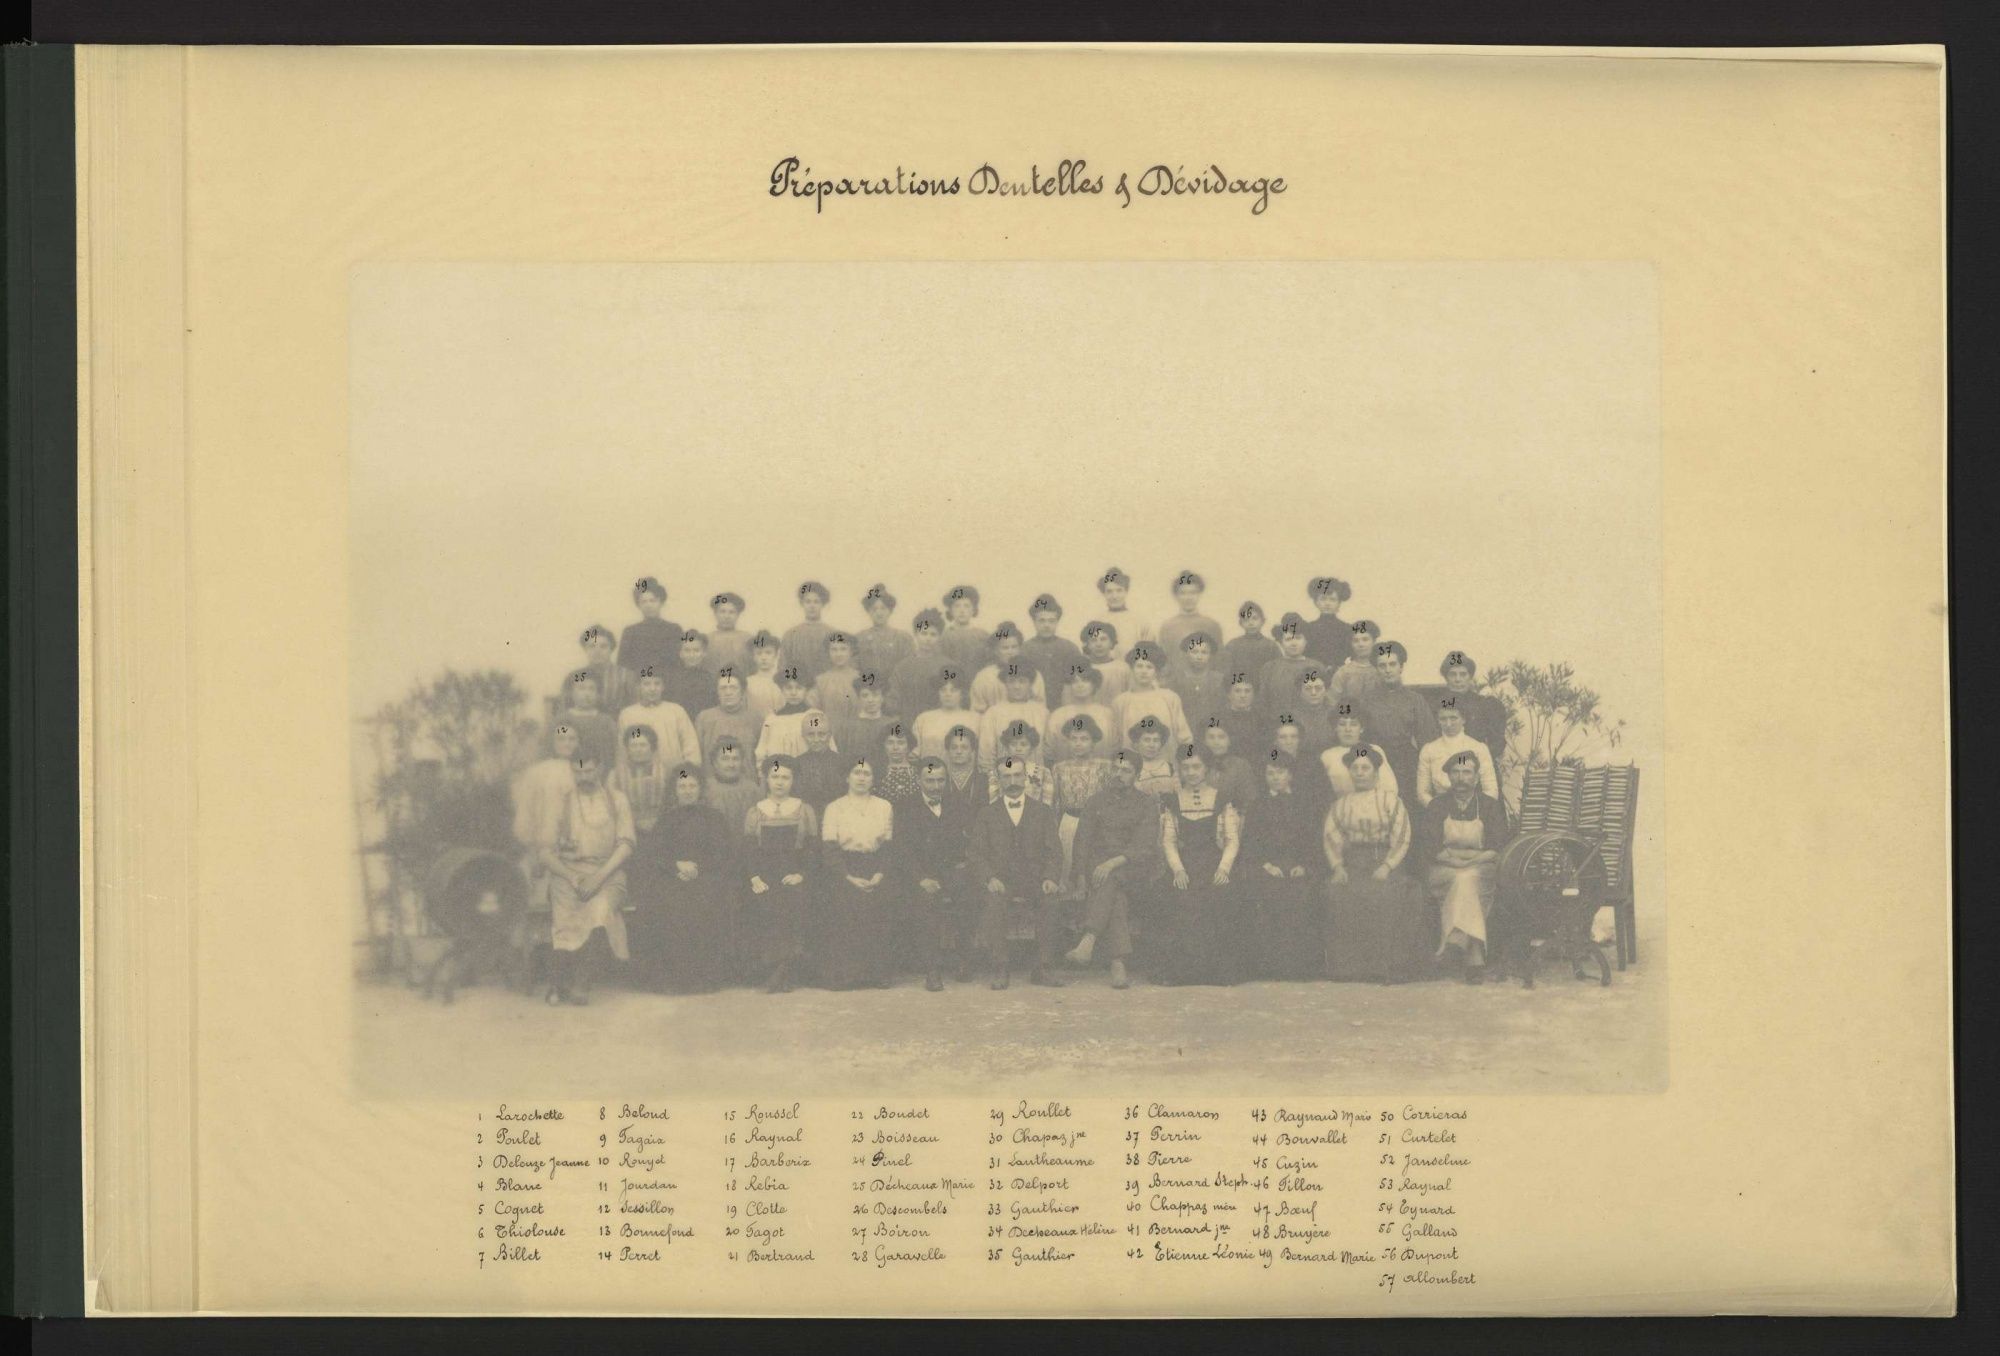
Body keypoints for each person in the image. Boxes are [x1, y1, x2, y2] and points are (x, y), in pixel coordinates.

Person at [535, 747, 634, 1005]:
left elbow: (626, 845)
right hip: (567, 874)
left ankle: (582, 982)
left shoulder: (617, 800)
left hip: (608, 872)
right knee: (566, 919)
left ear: (600, 768)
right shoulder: (560, 802)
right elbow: (544, 852)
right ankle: (560, 982)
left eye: (589, 771)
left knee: (600, 911)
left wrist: (599, 877)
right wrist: (571, 876)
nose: (584, 777)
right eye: (578, 772)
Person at [1322, 747, 1426, 984]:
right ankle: (1349, 968)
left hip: (1384, 861)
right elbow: (1331, 836)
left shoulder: (1391, 801)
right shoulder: (1341, 804)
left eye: (1365, 768)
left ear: (1376, 773)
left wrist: (1387, 866)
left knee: (1385, 894)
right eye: (1355, 768)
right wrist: (1338, 866)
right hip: (1353, 863)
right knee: (1337, 892)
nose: (1360, 773)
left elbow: (1402, 835)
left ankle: (1385, 967)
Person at [966, 756, 1067, 989]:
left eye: (1017, 775)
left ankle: (1043, 967)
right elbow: (976, 853)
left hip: (1035, 879)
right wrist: (989, 878)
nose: (1012, 781)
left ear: (1025, 778)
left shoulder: (1042, 811)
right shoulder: (987, 813)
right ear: (999, 780)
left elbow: (1054, 851)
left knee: (1051, 901)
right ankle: (1000, 967)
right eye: (1006, 776)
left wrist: (1051, 878)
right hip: (1001, 880)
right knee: (993, 901)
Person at [1063, 750, 1159, 989]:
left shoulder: (1146, 804)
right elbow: (1082, 840)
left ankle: (1089, 939)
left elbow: (1145, 845)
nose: (1119, 774)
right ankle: (1118, 963)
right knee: (1115, 896)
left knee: (1112, 878)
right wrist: (1081, 876)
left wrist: (1112, 863)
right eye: (1115, 769)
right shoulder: (1096, 801)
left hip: (1133, 868)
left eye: (1126, 771)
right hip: (1099, 871)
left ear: (1137, 775)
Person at [1415, 750, 1511, 983]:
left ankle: (1456, 940)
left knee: (1466, 878)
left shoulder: (1489, 806)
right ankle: (1473, 956)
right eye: (1456, 772)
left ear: (1476, 777)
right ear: (1448, 777)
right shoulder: (1438, 805)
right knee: (1463, 879)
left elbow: (1498, 846)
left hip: (1482, 868)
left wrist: (1468, 861)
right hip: (1444, 869)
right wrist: (1460, 860)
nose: (1461, 778)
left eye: (1467, 772)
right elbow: (1431, 847)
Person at [1154, 744, 1243, 986]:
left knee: (1220, 896)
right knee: (1178, 897)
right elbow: (1169, 841)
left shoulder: (1221, 799)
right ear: (1180, 770)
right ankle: (1181, 972)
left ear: (1206, 769)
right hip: (1185, 865)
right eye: (1186, 768)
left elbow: (1231, 840)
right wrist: (1178, 870)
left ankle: (1219, 972)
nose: (1191, 772)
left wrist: (1224, 869)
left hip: (1214, 864)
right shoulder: (1172, 801)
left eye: (1196, 767)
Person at [1237, 749, 1324, 981]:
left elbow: (1314, 840)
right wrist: (1265, 865)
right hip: (1268, 865)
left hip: (1299, 865)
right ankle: (1271, 967)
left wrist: (1305, 866)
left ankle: (1300, 967)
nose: (1276, 777)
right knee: (1270, 893)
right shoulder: (1257, 806)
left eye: (1281, 772)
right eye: (1271, 773)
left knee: (1301, 894)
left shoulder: (1305, 804)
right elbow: (1250, 842)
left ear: (1290, 775)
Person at [895, 756, 980, 989]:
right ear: (918, 780)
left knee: (969, 895)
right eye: (930, 781)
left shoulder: (957, 803)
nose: (935, 786)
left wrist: (963, 864)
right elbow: (902, 849)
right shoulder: (904, 806)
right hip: (919, 874)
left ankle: (964, 959)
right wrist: (921, 878)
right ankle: (932, 969)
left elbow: (971, 839)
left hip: (951, 870)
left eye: (940, 780)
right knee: (927, 902)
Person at [818, 758, 898, 990]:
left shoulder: (884, 806)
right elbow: (829, 849)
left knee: (879, 907)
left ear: (873, 779)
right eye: (856, 772)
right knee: (845, 908)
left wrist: (879, 874)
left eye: (867, 774)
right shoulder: (834, 808)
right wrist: (848, 877)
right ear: (847, 777)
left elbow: (888, 847)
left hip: (875, 867)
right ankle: (846, 974)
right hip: (844, 869)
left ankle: (876, 973)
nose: (861, 778)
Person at [656, 763, 736, 992]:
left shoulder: (714, 818)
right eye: (682, 786)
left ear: (700, 789)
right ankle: (677, 979)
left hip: (707, 876)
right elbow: (655, 853)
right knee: (670, 905)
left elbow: (723, 853)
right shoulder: (666, 819)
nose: (688, 791)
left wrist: (699, 869)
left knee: (707, 902)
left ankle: (705, 977)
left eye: (692, 785)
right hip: (674, 877)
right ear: (675, 790)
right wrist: (676, 866)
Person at [742, 755, 817, 992]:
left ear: (793, 780)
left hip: (793, 873)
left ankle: (785, 971)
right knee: (764, 904)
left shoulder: (804, 810)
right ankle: (774, 970)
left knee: (794, 902)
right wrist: (755, 878)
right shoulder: (756, 811)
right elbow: (749, 850)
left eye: (785, 777)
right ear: (766, 779)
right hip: (764, 876)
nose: (780, 782)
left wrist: (801, 874)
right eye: (775, 777)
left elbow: (812, 849)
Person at [511, 721, 582, 913]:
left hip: (576, 842)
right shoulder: (538, 771)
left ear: (578, 742)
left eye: (572, 739)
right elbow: (526, 808)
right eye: (561, 739)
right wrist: (528, 839)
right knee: (539, 895)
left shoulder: (583, 768)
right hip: (544, 840)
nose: (567, 743)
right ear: (553, 742)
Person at [1359, 640, 1438, 805]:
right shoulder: (1365, 701)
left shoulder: (1415, 700)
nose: (1388, 670)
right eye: (1382, 665)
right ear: (1376, 669)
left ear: (1401, 667)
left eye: (1392, 664)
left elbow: (1427, 740)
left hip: (1407, 765)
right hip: (1375, 762)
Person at [1050, 715, 1114, 897]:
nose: (1078, 744)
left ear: (1093, 742)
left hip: (1097, 823)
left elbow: (1110, 799)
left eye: (1084, 739)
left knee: (1093, 866)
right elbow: (1055, 802)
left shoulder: (1106, 766)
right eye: (1074, 739)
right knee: (1068, 863)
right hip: (1069, 822)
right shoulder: (1059, 768)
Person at [1415, 696, 1501, 805]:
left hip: (1474, 809)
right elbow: (1422, 792)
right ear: (1438, 720)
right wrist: (1437, 809)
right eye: (1443, 719)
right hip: (1440, 809)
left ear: (1463, 719)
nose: (1448, 724)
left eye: (1453, 718)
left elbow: (1491, 789)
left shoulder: (1479, 748)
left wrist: (1475, 809)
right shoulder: (1429, 750)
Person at [617, 667, 700, 772]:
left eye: (657, 683)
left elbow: (691, 746)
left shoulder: (676, 711)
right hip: (640, 775)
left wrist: (688, 773)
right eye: (647, 684)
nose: (652, 688)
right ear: (639, 687)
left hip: (674, 774)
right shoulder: (628, 714)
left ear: (663, 686)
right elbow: (622, 751)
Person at [1112, 642, 1192, 750]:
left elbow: (1183, 734)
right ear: (1132, 669)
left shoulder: (1170, 698)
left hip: (1166, 757)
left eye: (1149, 667)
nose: (1144, 671)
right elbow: (1116, 739)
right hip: (1132, 758)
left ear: (1156, 671)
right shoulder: (1121, 701)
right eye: (1139, 666)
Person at [1439, 650, 1509, 771]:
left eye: (1463, 674)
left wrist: (1475, 761)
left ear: (1470, 677)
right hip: (1444, 766)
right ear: (1446, 677)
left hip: (1479, 766)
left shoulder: (1486, 704)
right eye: (1452, 674)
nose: (1458, 679)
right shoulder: (1435, 706)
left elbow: (1498, 743)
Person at [977, 664, 1051, 773]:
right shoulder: (993, 713)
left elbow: (1048, 751)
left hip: (1036, 776)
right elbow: (986, 752)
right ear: (1005, 684)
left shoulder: (1042, 713)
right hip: (1004, 777)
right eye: (1011, 681)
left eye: (1022, 681)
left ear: (1030, 684)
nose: (1016, 686)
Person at [1323, 703, 1401, 801]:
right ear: (1335, 727)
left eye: (1354, 724)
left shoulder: (1373, 750)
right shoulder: (1327, 756)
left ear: (1362, 728)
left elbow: (1390, 788)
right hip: (1340, 807)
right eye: (1342, 724)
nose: (1348, 729)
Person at [1022, 595, 1087, 709]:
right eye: (1041, 621)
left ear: (1057, 621)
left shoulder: (1069, 648)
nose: (1046, 625)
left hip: (1065, 705)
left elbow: (1080, 680)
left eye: (1051, 621)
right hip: (1033, 706)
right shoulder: (1025, 649)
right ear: (1034, 621)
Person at [1045, 663, 1118, 762]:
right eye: (1075, 681)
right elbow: (1049, 750)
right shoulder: (1058, 715)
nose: (1080, 685)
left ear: (1094, 684)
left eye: (1085, 680)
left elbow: (1115, 746)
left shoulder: (1107, 713)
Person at [618, 578, 682, 685]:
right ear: (639, 605)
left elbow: (679, 663)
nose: (648, 605)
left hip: (669, 685)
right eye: (644, 601)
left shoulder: (674, 630)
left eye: (653, 600)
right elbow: (623, 665)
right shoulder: (630, 632)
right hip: (638, 686)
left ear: (661, 602)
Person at [971, 623, 1047, 713]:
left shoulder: (1032, 673)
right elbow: (977, 710)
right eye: (1005, 648)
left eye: (1014, 647)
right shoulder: (984, 677)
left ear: (1020, 648)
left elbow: (1040, 708)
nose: (1010, 652)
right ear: (995, 650)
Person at [890, 608, 948, 719]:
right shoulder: (903, 667)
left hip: (938, 722)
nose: (928, 638)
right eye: (924, 633)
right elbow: (894, 699)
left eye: (933, 634)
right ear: (916, 634)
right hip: (908, 722)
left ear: (939, 637)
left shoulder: (946, 666)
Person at [696, 668, 760, 766]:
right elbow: (697, 755)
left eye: (733, 687)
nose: (728, 692)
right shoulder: (704, 718)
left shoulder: (756, 719)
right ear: (717, 691)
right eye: (723, 688)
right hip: (711, 775)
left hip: (747, 775)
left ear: (742, 691)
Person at [1258, 615, 1315, 722]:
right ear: (1280, 642)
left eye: (1298, 638)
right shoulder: (1269, 668)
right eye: (1288, 639)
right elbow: (1263, 702)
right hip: (1276, 723)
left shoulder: (1315, 666)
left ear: (1306, 640)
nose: (1293, 643)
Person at [563, 625, 630, 716]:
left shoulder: (626, 676)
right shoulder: (574, 676)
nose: (597, 651)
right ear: (585, 649)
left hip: (616, 722)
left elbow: (634, 709)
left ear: (611, 649)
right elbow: (566, 709)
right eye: (592, 646)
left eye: (603, 646)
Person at [1167, 629, 1229, 729]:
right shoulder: (1175, 680)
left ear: (1210, 655)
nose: (1199, 657)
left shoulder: (1220, 680)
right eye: (1194, 652)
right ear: (1186, 654)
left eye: (1204, 652)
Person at [1157, 570, 1223, 663]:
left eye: (1193, 593)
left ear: (1199, 594)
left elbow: (1219, 660)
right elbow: (1162, 662)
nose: (1188, 598)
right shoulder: (1167, 627)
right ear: (1176, 596)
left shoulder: (1212, 625)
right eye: (1183, 593)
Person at [1275, 667, 1337, 764]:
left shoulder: (1336, 713)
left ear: (1326, 690)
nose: (1313, 693)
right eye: (1308, 688)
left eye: (1318, 688)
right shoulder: (1290, 717)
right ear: (1300, 691)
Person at [752, 667, 814, 763]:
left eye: (799, 688)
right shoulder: (772, 720)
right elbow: (761, 752)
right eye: (789, 688)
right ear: (782, 689)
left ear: (806, 690)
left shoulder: (814, 716)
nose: (793, 693)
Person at [987, 720, 1054, 806]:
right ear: (1007, 747)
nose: (1018, 749)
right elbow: (993, 804)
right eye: (1013, 744)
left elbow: (1047, 806)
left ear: (1031, 748)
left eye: (1023, 744)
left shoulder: (1044, 773)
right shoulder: (995, 773)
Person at [701, 736, 761, 834]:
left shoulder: (752, 790)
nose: (731, 764)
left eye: (735, 759)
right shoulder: (705, 789)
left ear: (742, 762)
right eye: (725, 759)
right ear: (715, 762)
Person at [1085, 566, 1155, 649]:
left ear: (1126, 591)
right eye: (1109, 591)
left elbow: (1149, 652)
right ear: (1104, 593)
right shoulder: (1098, 622)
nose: (1115, 596)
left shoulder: (1140, 622)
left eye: (1119, 590)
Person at [792, 711, 849, 814]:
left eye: (821, 734)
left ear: (829, 735)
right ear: (803, 736)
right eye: (811, 734)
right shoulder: (797, 764)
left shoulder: (842, 762)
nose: (816, 739)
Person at [780, 581, 835, 687]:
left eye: (816, 602)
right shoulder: (791, 634)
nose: (812, 606)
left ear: (823, 604)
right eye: (808, 602)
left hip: (825, 686)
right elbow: (783, 666)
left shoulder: (831, 634)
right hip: (797, 688)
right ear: (802, 604)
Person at [855, 583, 915, 679]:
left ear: (890, 611)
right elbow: (855, 668)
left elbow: (909, 667)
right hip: (868, 685)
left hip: (895, 685)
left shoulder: (902, 638)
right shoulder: (860, 638)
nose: (879, 613)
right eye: (874, 609)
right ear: (868, 612)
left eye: (883, 608)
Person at [831, 672, 892, 767]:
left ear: (882, 697)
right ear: (858, 698)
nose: (870, 700)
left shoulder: (891, 725)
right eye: (865, 695)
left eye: (875, 694)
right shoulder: (847, 727)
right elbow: (839, 758)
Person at [1199, 717, 1259, 811]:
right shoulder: (1198, 764)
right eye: (1211, 737)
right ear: (1204, 741)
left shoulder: (1241, 765)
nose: (1216, 742)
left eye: (1221, 737)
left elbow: (1249, 799)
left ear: (1229, 740)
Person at [560, 671, 619, 768]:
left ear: (598, 694)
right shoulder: (561, 720)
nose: (587, 694)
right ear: (571, 692)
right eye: (581, 688)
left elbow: (617, 752)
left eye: (591, 689)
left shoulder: (607, 722)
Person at [913, 667, 975, 759]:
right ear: (938, 692)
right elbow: (915, 752)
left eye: (953, 690)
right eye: (943, 690)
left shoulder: (974, 719)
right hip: (930, 767)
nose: (948, 694)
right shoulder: (924, 719)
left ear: (962, 693)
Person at [661, 629, 718, 718]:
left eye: (696, 650)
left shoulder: (711, 680)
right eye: (687, 650)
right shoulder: (671, 680)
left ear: (704, 653)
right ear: (680, 653)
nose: (692, 655)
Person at [1221, 601, 1281, 686]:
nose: (1251, 623)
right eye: (1246, 620)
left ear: (1263, 621)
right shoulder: (1233, 646)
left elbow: (1278, 672)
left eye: (1255, 618)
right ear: (1241, 623)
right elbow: (1226, 672)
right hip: (1240, 689)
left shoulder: (1271, 646)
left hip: (1264, 689)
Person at [1300, 575, 1354, 668]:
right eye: (1323, 599)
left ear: (1339, 603)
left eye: (1332, 599)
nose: (1327, 603)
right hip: (1313, 673)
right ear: (1316, 602)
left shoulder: (1347, 629)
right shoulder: (1308, 628)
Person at [938, 585, 992, 675]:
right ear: (950, 610)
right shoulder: (945, 636)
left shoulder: (982, 635)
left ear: (973, 610)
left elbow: (989, 662)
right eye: (957, 606)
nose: (962, 611)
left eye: (966, 606)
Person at [1330, 620, 1384, 709]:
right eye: (1356, 641)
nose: (1361, 644)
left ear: (1374, 641)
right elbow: (1333, 701)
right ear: (1351, 644)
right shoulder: (1343, 672)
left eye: (1365, 639)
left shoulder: (1382, 668)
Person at [812, 631, 863, 722]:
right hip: (828, 727)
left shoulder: (860, 678)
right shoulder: (821, 681)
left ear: (851, 652)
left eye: (843, 649)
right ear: (828, 652)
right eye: (834, 650)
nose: (839, 654)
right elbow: (815, 711)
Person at [1080, 620, 1131, 706]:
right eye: (1093, 640)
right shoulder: (1082, 669)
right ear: (1087, 644)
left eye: (1103, 639)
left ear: (1111, 642)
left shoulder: (1123, 668)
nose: (1099, 644)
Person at [938, 725, 985, 817]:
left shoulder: (983, 780)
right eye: (954, 747)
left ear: (972, 751)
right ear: (948, 750)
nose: (959, 751)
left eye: (964, 747)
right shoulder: (940, 779)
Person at [704, 591, 752, 680]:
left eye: (731, 612)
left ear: (738, 615)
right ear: (715, 614)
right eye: (722, 611)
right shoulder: (707, 640)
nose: (727, 616)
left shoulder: (747, 639)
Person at [871, 721, 922, 804]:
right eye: (890, 743)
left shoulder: (918, 772)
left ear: (908, 746)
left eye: (901, 743)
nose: (895, 747)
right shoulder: (877, 774)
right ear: (883, 746)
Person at [1129, 718, 1179, 799]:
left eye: (1156, 740)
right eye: (1147, 740)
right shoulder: (1131, 768)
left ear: (1161, 744)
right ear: (1137, 743)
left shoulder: (1169, 768)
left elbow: (1179, 795)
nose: (1152, 745)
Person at [1218, 673, 1265, 758]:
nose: (1243, 696)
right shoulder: (1219, 719)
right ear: (1228, 694)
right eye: (1237, 691)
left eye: (1247, 691)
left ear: (1254, 694)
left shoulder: (1262, 720)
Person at [744, 630, 785, 722]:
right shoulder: (748, 682)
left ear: (776, 655)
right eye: (759, 653)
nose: (763, 657)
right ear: (753, 656)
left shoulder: (783, 680)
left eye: (768, 652)